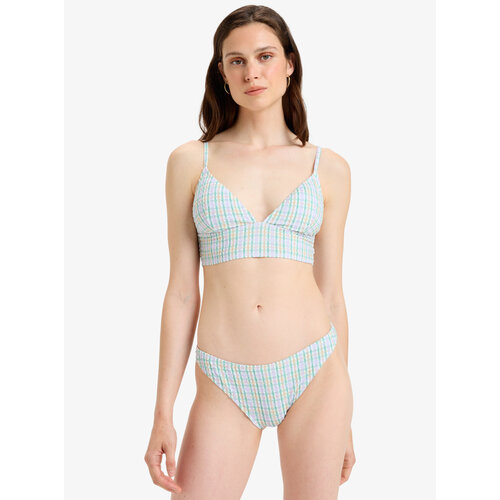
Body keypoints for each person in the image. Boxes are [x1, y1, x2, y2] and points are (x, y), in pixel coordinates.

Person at [144, 5, 355, 498]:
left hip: (315, 374)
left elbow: (332, 295)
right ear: (222, 73)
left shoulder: (329, 169)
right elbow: (181, 293)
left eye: (264, 56)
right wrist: (163, 412)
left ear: (289, 64)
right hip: (224, 379)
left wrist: (346, 418)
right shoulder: (191, 162)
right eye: (236, 61)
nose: (251, 72)